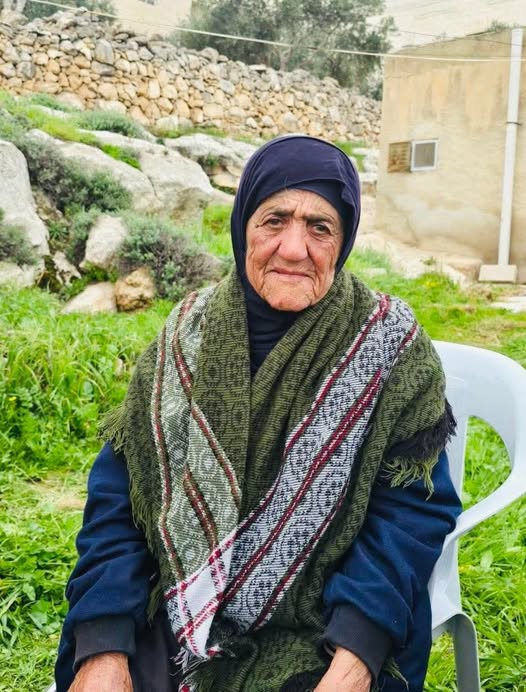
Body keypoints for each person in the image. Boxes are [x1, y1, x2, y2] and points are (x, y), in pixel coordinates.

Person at [55, 135, 461, 692]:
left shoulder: (389, 346)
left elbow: (409, 517)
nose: (294, 249)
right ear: (242, 223)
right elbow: (118, 502)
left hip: (324, 622)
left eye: (320, 227)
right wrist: (103, 644)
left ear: (344, 241)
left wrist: (357, 655)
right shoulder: (186, 337)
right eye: (274, 220)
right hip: (178, 602)